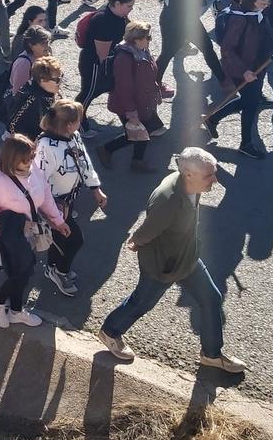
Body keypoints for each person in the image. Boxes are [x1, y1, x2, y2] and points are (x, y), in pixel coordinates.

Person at [98, 148, 247, 375]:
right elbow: (145, 232)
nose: (215, 180)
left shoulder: (191, 184)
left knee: (212, 299)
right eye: (209, 176)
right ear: (188, 174)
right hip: (163, 266)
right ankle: (110, 331)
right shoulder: (168, 201)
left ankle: (211, 355)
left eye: (213, 173)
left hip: (187, 258)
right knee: (141, 303)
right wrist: (135, 243)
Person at [0, 134, 67, 328]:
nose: (31, 162)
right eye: (26, 160)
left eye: (32, 157)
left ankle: (15, 310)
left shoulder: (35, 169)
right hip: (9, 237)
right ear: (12, 160)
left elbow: (46, 196)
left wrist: (58, 221)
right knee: (21, 273)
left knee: (23, 272)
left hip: (29, 233)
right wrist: (18, 223)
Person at [32, 100, 106, 296]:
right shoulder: (46, 147)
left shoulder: (73, 136)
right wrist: (51, 214)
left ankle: (52, 268)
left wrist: (95, 188)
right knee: (74, 240)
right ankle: (60, 271)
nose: (81, 123)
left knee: (60, 238)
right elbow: (39, 182)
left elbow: (84, 161)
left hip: (67, 200)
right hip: (53, 204)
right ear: (68, 124)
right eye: (79, 120)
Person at [207, 0, 273, 159]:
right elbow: (227, 49)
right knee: (250, 103)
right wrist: (244, 70)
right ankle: (246, 144)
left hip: (257, 67)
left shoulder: (256, 12)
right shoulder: (239, 18)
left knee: (249, 101)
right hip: (242, 70)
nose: (266, 0)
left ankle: (213, 119)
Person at [101, 20, 165, 173]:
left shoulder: (142, 50)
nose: (150, 40)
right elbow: (124, 88)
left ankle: (137, 161)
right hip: (129, 105)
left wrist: (156, 91)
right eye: (147, 38)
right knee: (136, 133)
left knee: (146, 129)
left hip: (143, 101)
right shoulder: (124, 58)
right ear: (136, 39)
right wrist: (131, 113)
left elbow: (150, 73)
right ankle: (106, 149)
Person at [154, 0, 224, 88]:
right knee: (168, 53)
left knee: (206, 49)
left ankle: (223, 80)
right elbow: (202, 1)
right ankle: (152, 84)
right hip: (175, 25)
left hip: (185, 21)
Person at [75, 0, 135, 137]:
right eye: (129, 6)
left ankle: (129, 119)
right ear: (117, 4)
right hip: (94, 64)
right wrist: (108, 72)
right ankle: (77, 123)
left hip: (104, 61)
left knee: (111, 88)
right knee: (88, 94)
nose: (131, 9)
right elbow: (102, 54)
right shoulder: (105, 21)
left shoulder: (116, 14)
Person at [5, 56, 63, 142]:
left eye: (62, 76)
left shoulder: (47, 92)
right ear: (43, 80)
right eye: (57, 80)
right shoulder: (32, 101)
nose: (61, 82)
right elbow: (14, 127)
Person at [9, 25, 52, 98]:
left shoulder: (46, 53)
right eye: (43, 43)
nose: (47, 46)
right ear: (31, 46)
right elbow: (17, 93)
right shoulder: (24, 64)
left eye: (47, 42)